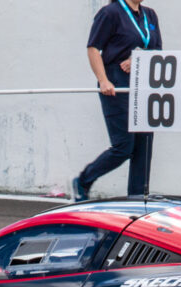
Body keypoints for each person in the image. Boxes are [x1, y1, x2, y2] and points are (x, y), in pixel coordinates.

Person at [73, 0, 162, 201]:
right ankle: (84, 180)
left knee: (144, 145)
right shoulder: (110, 13)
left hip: (144, 84)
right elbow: (93, 48)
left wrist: (140, 60)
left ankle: (137, 198)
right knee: (124, 146)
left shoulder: (150, 15)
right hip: (116, 84)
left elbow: (157, 50)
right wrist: (103, 80)